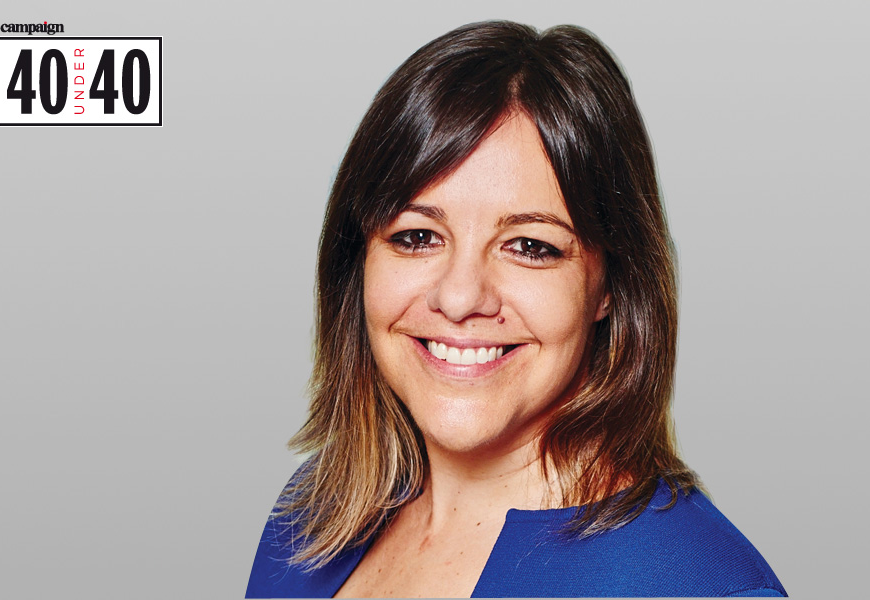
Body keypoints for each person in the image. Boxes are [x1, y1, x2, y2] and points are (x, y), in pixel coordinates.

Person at [246, 21, 786, 598]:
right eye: (417, 237)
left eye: (530, 246)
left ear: (611, 283)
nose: (459, 298)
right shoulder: (310, 514)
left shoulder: (699, 586)